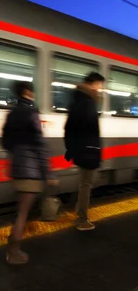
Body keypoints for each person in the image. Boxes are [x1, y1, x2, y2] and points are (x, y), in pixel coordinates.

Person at [1, 81, 57, 265]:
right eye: (32, 91)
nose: (34, 94)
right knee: (23, 213)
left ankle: (13, 244)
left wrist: (17, 152)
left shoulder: (12, 113)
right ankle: (13, 252)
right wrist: (48, 173)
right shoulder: (32, 113)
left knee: (22, 211)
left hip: (17, 167)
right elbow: (40, 145)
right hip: (31, 171)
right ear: (27, 92)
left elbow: (4, 141)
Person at [64, 72, 105, 231]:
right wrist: (93, 149)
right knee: (86, 184)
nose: (101, 89)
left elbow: (69, 127)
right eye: (100, 85)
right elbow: (90, 130)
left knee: (84, 183)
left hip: (82, 149)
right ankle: (82, 219)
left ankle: (78, 210)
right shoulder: (88, 102)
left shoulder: (78, 100)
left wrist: (71, 148)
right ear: (94, 83)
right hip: (88, 150)